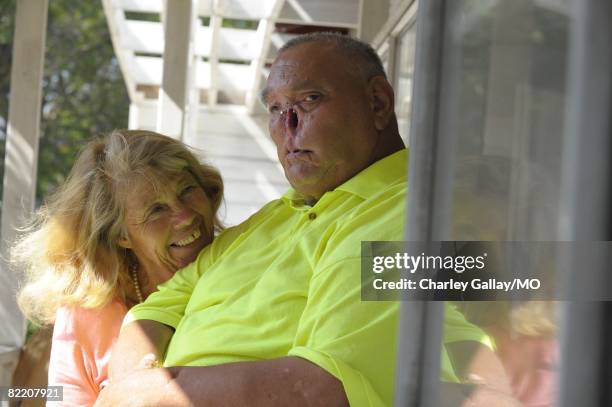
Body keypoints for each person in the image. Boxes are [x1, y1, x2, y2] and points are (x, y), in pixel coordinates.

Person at [96, 33, 514, 407]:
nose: (287, 126)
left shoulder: (407, 213)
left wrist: (147, 394)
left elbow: (324, 389)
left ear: (378, 103)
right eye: (276, 109)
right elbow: (156, 311)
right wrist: (132, 381)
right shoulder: (273, 216)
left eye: (308, 100)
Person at [13, 130, 223, 406]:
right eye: (156, 210)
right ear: (121, 234)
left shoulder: (247, 266)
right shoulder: (85, 314)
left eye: (187, 190)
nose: (184, 217)